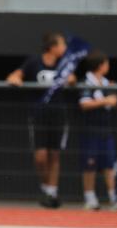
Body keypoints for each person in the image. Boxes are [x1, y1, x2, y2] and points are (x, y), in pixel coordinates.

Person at [6, 32, 74, 209]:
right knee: (41, 156)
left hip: (58, 113)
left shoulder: (64, 63)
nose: (64, 48)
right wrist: (15, 79)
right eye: (62, 45)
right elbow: (15, 75)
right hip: (38, 114)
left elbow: (72, 78)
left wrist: (69, 79)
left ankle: (52, 192)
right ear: (52, 47)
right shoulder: (34, 62)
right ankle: (45, 186)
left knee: (54, 154)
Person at [77, 51, 117, 211]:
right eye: (106, 63)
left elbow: (115, 101)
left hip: (105, 130)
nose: (108, 66)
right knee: (90, 165)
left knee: (109, 164)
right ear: (100, 65)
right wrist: (105, 100)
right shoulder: (87, 82)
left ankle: (114, 198)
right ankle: (90, 198)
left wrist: (105, 100)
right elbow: (85, 104)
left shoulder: (108, 83)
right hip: (90, 130)